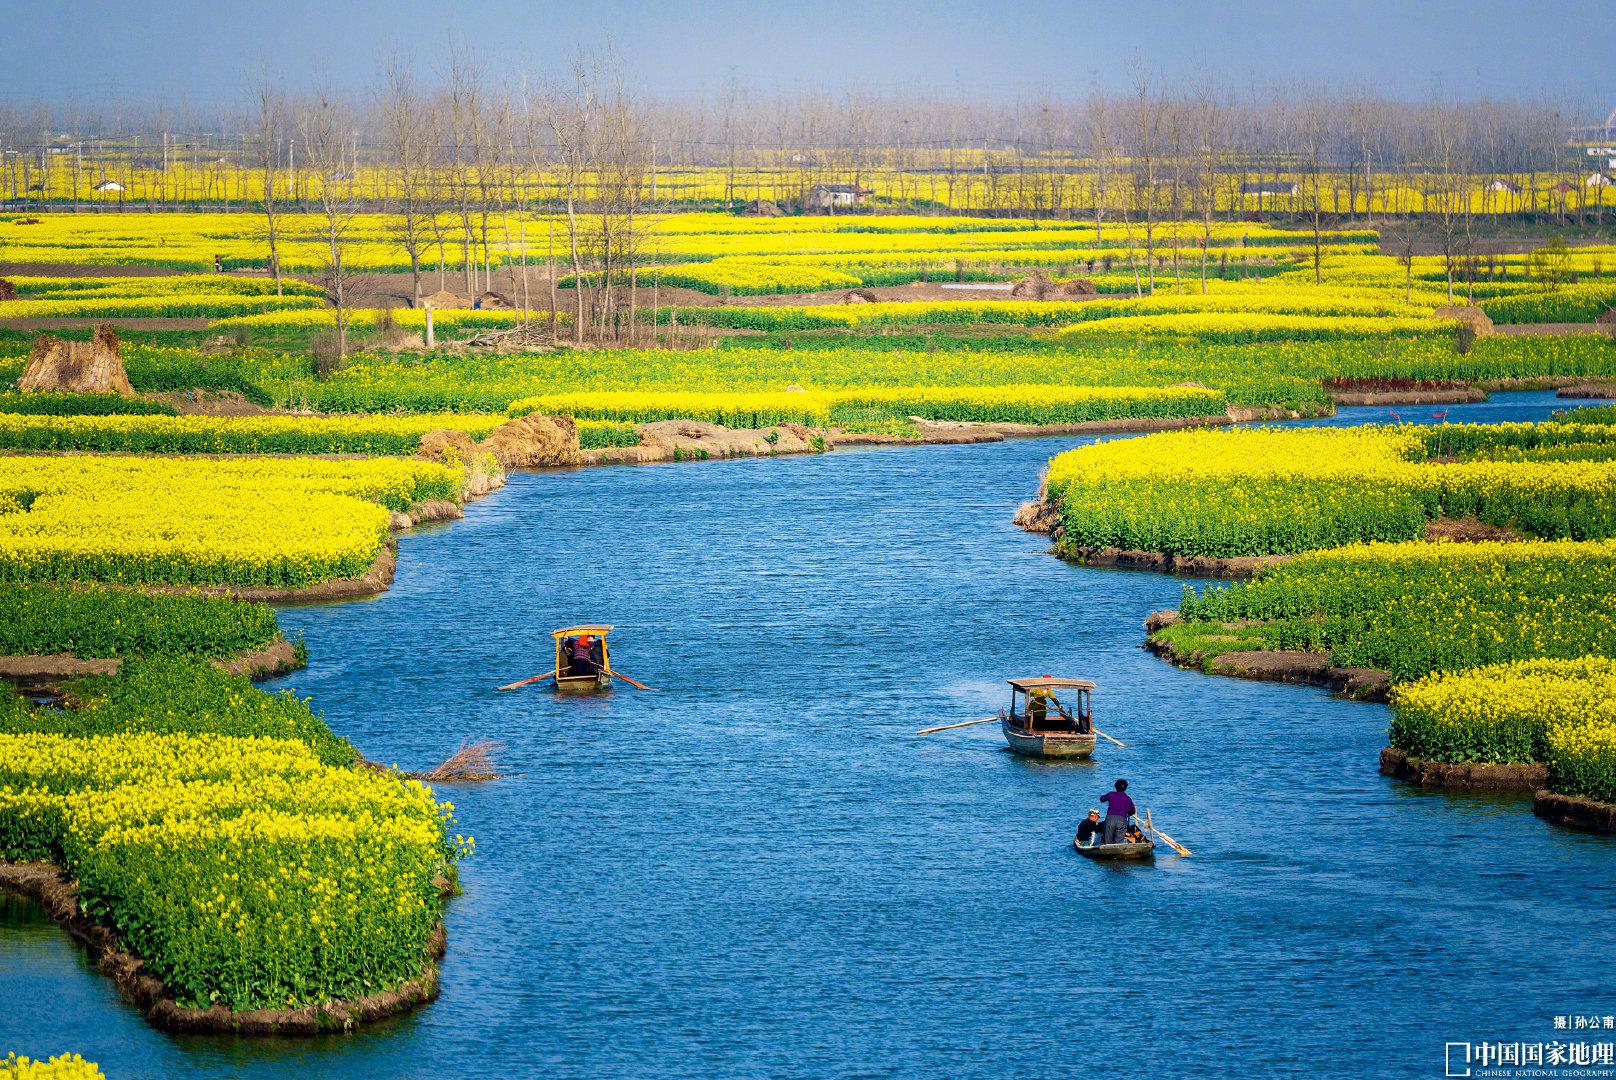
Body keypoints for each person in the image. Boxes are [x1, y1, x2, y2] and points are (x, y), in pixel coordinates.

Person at [1099, 779, 1135, 846]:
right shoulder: (1128, 798)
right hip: (1122, 819)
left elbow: (1102, 799)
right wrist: (1128, 813)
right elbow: (1133, 811)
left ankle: (1107, 850)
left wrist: (1103, 796)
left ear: (1115, 787)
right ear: (1125, 788)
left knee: (1107, 840)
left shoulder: (1111, 794)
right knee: (1118, 842)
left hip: (1110, 818)